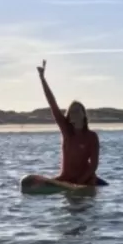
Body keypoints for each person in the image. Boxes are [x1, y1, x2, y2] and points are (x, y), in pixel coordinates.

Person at [35, 60, 99, 188]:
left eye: (77, 110)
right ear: (68, 117)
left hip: (85, 181)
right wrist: (42, 78)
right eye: (71, 112)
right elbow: (52, 103)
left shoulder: (92, 137)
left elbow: (93, 165)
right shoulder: (66, 130)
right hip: (66, 179)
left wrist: (80, 182)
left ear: (83, 115)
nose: (74, 113)